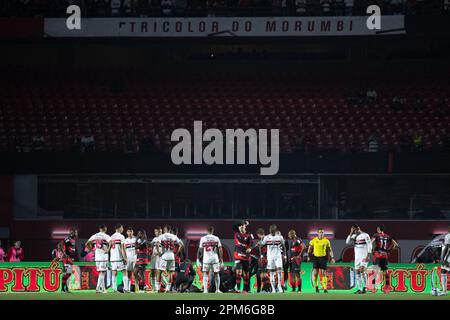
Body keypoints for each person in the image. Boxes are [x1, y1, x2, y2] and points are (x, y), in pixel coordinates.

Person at [371, 225, 399, 293]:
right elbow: (396, 244)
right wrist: (389, 250)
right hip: (384, 254)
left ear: (378, 229)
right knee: (385, 271)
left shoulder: (376, 235)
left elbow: (370, 242)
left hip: (377, 254)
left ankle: (374, 288)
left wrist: (371, 250)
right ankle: (387, 288)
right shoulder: (388, 236)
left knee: (375, 270)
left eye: (377, 228)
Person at [156, 225, 184, 293]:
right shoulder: (173, 236)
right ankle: (168, 289)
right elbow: (181, 245)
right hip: (171, 256)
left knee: (159, 272)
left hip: (164, 256)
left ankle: (158, 289)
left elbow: (157, 244)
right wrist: (176, 253)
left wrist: (159, 252)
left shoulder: (161, 236)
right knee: (170, 273)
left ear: (165, 229)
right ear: (169, 229)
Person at [346, 224, 372, 294]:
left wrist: (368, 255)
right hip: (357, 257)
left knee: (362, 270)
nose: (353, 232)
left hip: (364, 256)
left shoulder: (365, 235)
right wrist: (350, 233)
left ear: (358, 228)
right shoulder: (354, 236)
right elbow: (347, 242)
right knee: (357, 272)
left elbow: (370, 245)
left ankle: (365, 287)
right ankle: (360, 289)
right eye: (352, 231)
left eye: (354, 230)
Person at [260, 224, 286, 293]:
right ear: (269, 230)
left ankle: (279, 286)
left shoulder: (280, 237)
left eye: (273, 229)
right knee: (271, 273)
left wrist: (285, 255)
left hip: (278, 256)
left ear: (275, 229)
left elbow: (284, 246)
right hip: (270, 257)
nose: (272, 231)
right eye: (271, 230)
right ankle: (273, 288)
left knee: (279, 271)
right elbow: (261, 246)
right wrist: (262, 255)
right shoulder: (266, 237)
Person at [308, 228, 335, 293]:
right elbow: (310, 249)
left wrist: (332, 257)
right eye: (320, 232)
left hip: (323, 258)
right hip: (315, 258)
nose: (321, 233)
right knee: (315, 274)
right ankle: (316, 286)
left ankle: (325, 288)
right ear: (318, 233)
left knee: (323, 274)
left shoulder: (326, 241)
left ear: (324, 233)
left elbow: (330, 250)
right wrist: (308, 256)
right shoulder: (313, 240)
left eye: (322, 232)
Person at [198, 226, 223, 293]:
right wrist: (221, 258)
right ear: (212, 231)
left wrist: (199, 259)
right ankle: (217, 289)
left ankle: (205, 290)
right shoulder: (216, 238)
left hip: (206, 260)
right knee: (216, 274)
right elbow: (220, 249)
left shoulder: (203, 238)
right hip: (215, 259)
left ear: (207, 231)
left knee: (205, 274)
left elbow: (200, 250)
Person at [86, 225, 111, 294]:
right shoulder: (106, 236)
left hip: (97, 257)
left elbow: (87, 243)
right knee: (102, 272)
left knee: (101, 272)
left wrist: (91, 250)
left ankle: (103, 289)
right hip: (103, 257)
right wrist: (108, 250)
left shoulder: (94, 236)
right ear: (105, 229)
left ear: (99, 229)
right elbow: (111, 242)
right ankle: (98, 288)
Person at [233, 220, 253, 293]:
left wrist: (250, 248)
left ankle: (245, 289)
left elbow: (251, 243)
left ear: (245, 227)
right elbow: (234, 225)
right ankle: (238, 289)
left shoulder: (249, 235)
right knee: (238, 272)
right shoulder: (236, 234)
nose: (240, 227)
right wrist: (243, 222)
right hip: (238, 255)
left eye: (242, 226)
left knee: (246, 274)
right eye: (240, 226)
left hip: (246, 257)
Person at [110, 224, 127, 293]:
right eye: (122, 227)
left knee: (114, 273)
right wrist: (125, 258)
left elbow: (110, 247)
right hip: (119, 257)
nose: (123, 229)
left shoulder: (111, 237)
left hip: (112, 258)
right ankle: (126, 289)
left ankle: (114, 289)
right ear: (119, 228)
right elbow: (123, 249)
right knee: (124, 272)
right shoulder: (121, 236)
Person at [255, 228, 269, 293]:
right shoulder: (261, 240)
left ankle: (266, 288)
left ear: (259, 234)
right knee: (258, 274)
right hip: (261, 259)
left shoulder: (267, 239)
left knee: (264, 274)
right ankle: (260, 289)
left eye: (258, 235)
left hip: (266, 258)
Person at [123, 227, 137, 293]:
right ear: (127, 232)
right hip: (128, 258)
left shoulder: (136, 239)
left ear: (133, 232)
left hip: (135, 258)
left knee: (135, 273)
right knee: (128, 274)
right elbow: (123, 250)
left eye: (131, 231)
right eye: (129, 231)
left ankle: (134, 289)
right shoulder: (125, 240)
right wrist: (124, 258)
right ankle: (128, 288)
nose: (130, 233)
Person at [149, 226, 162, 292]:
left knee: (158, 271)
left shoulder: (162, 238)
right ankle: (153, 287)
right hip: (153, 257)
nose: (156, 233)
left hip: (159, 257)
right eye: (155, 231)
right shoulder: (154, 239)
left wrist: (160, 253)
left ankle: (158, 288)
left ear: (160, 231)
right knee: (152, 271)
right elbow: (150, 246)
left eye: (157, 231)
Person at [440, 226, 450, 296]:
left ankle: (444, 291)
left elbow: (447, 247)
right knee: (443, 271)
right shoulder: (447, 236)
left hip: (449, 257)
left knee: (444, 270)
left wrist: (443, 259)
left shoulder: (448, 236)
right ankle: (444, 291)